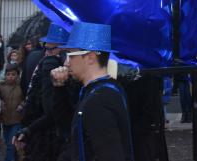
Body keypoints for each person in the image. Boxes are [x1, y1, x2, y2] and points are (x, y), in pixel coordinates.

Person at [51, 22, 134, 161]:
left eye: (70, 54)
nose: (66, 62)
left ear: (90, 57)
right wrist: (59, 88)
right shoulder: (99, 90)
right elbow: (68, 129)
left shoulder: (100, 99)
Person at [15, 23, 71, 161]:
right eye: (47, 48)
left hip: (33, 128)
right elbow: (50, 111)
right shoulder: (51, 63)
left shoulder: (34, 57)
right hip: (46, 137)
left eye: (52, 49)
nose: (48, 53)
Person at [0, 64, 24, 161]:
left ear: (17, 75)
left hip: (17, 119)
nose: (10, 77)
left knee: (11, 144)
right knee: (8, 142)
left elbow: (26, 98)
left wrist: (22, 104)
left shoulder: (20, 86)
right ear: (5, 75)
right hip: (5, 119)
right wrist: (0, 103)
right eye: (8, 74)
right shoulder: (1, 86)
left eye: (13, 74)